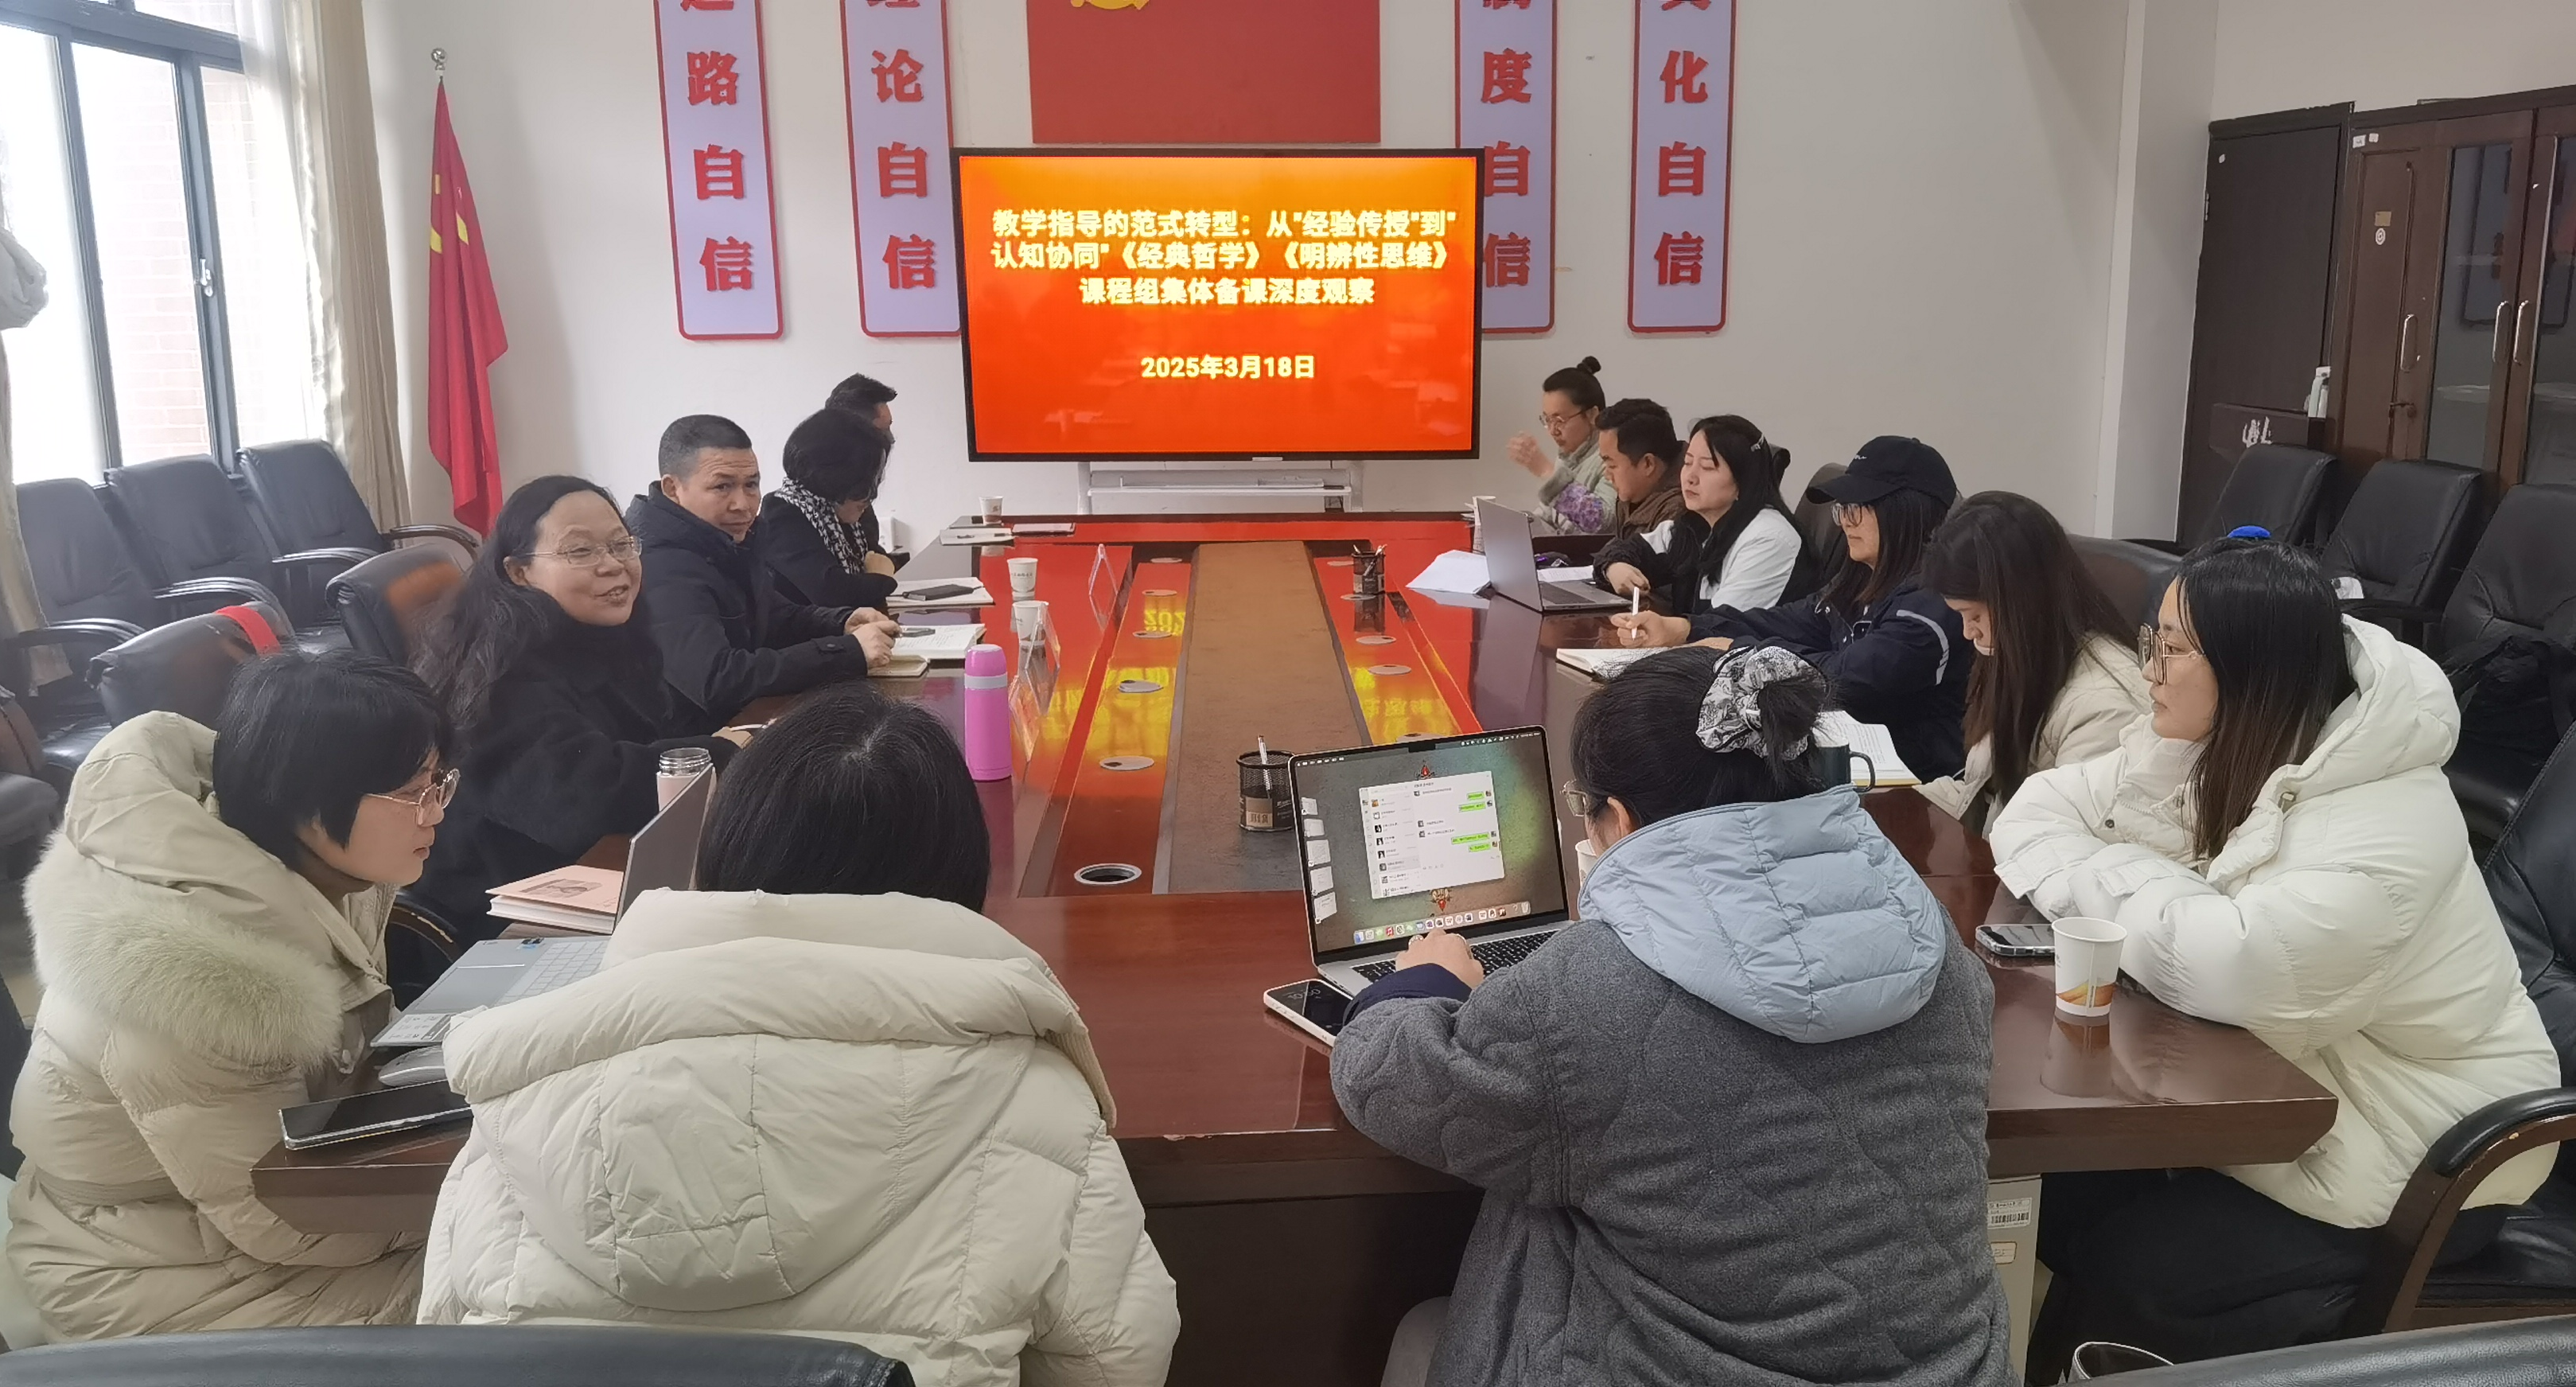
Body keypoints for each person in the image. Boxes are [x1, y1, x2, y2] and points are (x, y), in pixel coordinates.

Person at [419, 684, 1180, 1387]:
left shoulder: (526, 1086)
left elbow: (445, 1337)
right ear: (956, 872)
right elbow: (1116, 1362)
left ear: (726, 849)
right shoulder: (1032, 1095)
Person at [1335, 645, 2011, 1387]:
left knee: (1420, 1333)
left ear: (1619, 818)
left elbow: (1387, 1081)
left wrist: (1425, 980)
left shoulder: (1583, 992)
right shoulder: (1940, 952)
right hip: (1955, 1372)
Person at [1989, 540, 2561, 1373]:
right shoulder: (2224, 740)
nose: (2148, 669)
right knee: (2055, 1190)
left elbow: (2237, 967)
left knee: (2137, 1263)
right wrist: (2144, 892)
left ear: (2249, 667)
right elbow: (2035, 810)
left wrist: (2109, 879)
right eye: (2152, 640)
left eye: (2171, 648)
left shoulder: (2386, 818)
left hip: (2422, 1150)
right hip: (2297, 1098)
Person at [9, 651, 450, 1338]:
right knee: (515, 1284)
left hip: (233, 1215)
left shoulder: (311, 870)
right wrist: (468, 1188)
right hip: (149, 1268)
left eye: (440, 783)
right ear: (308, 804)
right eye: (414, 793)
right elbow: (280, 1217)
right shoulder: (196, 977)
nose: (436, 812)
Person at [409, 476, 747, 970]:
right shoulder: (499, 671)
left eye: (621, 544)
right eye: (581, 551)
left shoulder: (596, 631)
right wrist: (718, 751)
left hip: (584, 872)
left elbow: (653, 723)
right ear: (519, 572)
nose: (612, 564)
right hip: (505, 925)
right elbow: (585, 794)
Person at [1611, 435, 1973, 781]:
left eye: (1859, 507)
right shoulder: (1861, 578)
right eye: (1843, 509)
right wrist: (1686, 628)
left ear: (1906, 512)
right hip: (1838, 759)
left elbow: (1849, 678)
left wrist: (1742, 652)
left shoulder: (1934, 604)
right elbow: (1786, 621)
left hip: (1912, 786)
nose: (1846, 521)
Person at [627, 413, 895, 721]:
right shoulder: (660, 563)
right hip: (701, 739)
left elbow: (775, 614)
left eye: (751, 485)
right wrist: (846, 652)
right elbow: (716, 679)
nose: (742, 504)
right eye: (722, 487)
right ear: (673, 489)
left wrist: (842, 621)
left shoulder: (726, 538)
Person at [1914, 492, 2150, 832]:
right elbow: (1980, 794)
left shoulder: (2104, 705)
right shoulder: (2025, 652)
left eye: (1974, 615)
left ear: (2019, 601)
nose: (1967, 632)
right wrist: (1881, 805)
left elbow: (2066, 840)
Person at [1595, 415, 1807, 617]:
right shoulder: (1696, 524)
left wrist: (1668, 628)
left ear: (1744, 480)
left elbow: (1724, 623)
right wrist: (1614, 568)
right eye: (1688, 463)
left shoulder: (1768, 538)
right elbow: (1628, 548)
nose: (1690, 477)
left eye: (1707, 467)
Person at [759, 407, 899, 612]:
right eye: (865, 479)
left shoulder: (849, 511)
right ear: (835, 476)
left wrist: (879, 575)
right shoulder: (783, 513)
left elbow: (876, 557)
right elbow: (831, 591)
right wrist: (882, 578)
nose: (871, 493)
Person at [1505, 356, 1613, 534]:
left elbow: (1601, 523)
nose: (1552, 430)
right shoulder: (1568, 455)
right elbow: (1548, 518)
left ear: (1592, 415)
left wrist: (1545, 471)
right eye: (1548, 420)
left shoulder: (1613, 459)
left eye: (1560, 420)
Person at [1594, 397, 1687, 543]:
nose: (1607, 475)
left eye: (1612, 466)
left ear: (1648, 464)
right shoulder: (1633, 493)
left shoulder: (1678, 510)